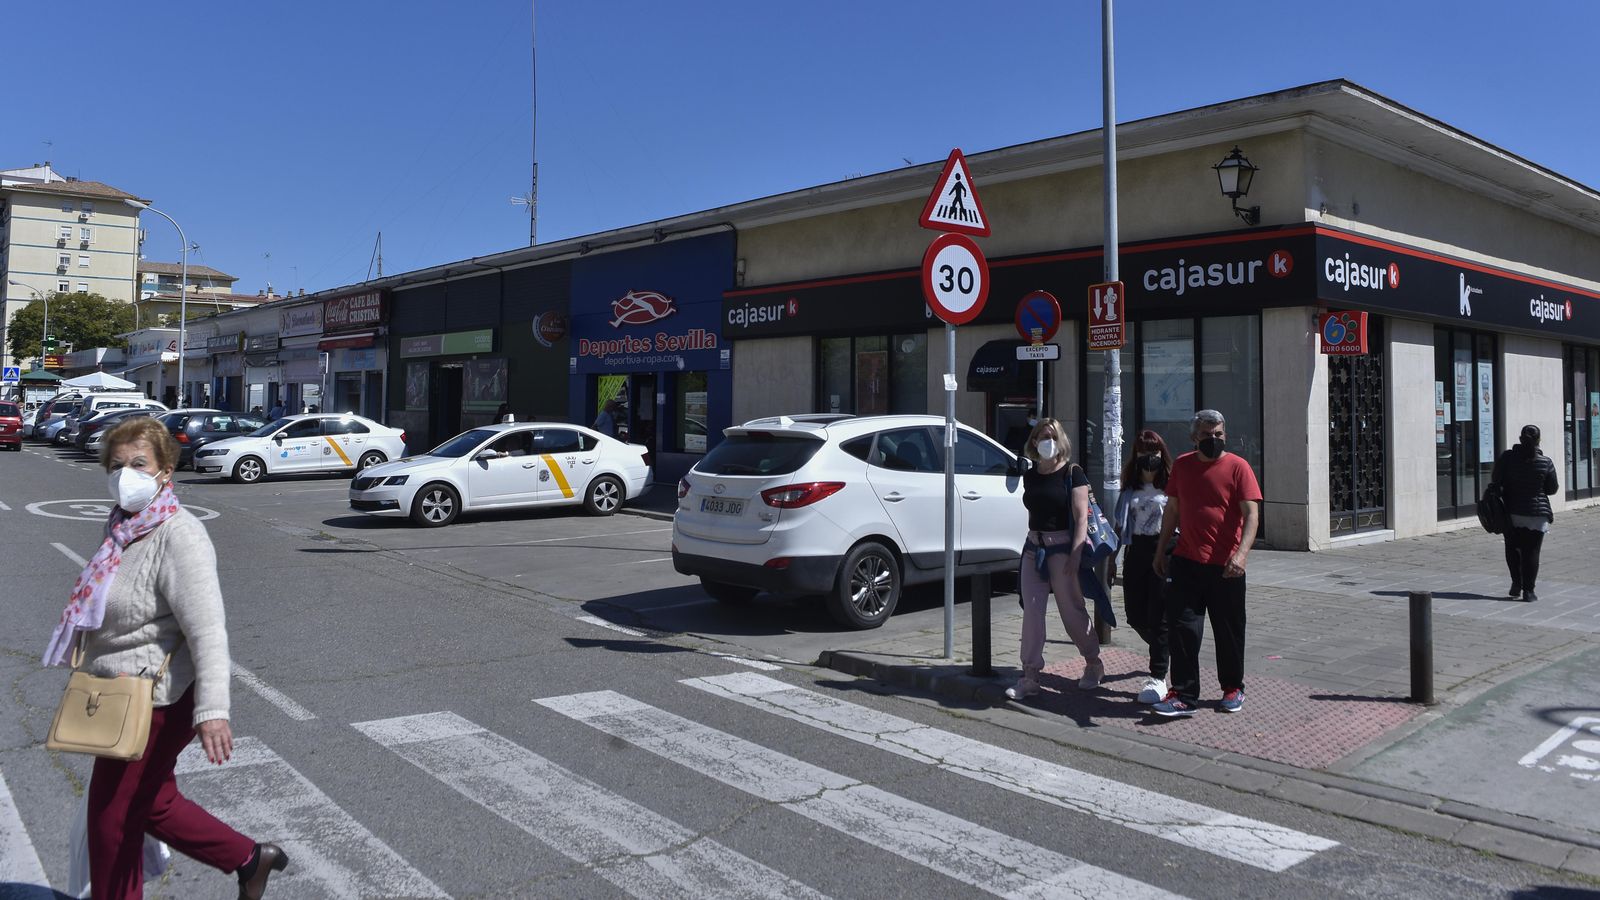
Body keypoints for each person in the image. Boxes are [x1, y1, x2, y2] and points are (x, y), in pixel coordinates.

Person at [42, 416, 288, 899]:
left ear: (164, 472)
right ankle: (250, 858)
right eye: (116, 465)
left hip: (157, 698)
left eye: (139, 463)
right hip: (118, 689)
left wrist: (213, 711)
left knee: (112, 823)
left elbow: (208, 630)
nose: (125, 474)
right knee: (152, 801)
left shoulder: (180, 534)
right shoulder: (122, 528)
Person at [1152, 410, 1262, 717]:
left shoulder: (1238, 467)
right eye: (1206, 435)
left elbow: (1251, 514)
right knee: (1182, 630)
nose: (1212, 440)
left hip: (1226, 566)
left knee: (1228, 630)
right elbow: (1172, 511)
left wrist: (1241, 555)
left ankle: (1232, 688)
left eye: (1218, 434)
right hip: (1187, 561)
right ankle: (1184, 695)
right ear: (1194, 437)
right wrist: (1160, 551)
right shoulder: (1183, 467)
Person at [1005, 417, 1105, 700]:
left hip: (1062, 549)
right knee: (1032, 615)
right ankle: (1030, 675)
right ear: (1034, 442)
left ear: (1061, 440)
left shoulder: (1073, 473)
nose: (1047, 441)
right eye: (1041, 436)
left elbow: (1080, 518)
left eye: (1052, 436)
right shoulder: (1032, 474)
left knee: (1072, 610)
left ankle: (1093, 662)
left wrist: (1075, 556)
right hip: (1033, 548)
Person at [1111, 430, 1175, 705]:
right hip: (1135, 551)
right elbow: (1118, 526)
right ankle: (1165, 648)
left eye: (1154, 452)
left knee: (1158, 615)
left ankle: (1158, 675)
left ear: (1162, 454)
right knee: (1135, 615)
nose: (1150, 458)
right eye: (1143, 452)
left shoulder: (1171, 486)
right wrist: (1112, 561)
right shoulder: (1129, 489)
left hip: (1165, 551)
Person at [1493, 424, 1558, 601]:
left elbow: (1496, 480)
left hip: (1512, 511)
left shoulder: (1507, 458)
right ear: (1538, 440)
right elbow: (1552, 489)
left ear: (1520, 438)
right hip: (1537, 514)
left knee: (1512, 548)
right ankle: (1529, 591)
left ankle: (1516, 583)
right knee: (1532, 552)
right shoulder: (1546, 462)